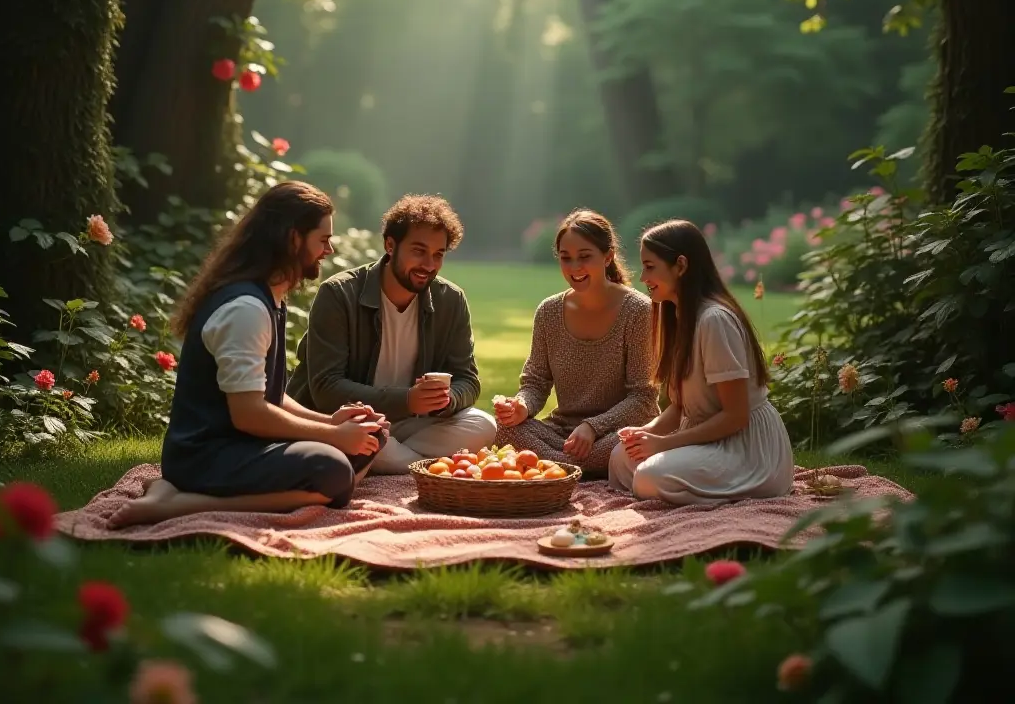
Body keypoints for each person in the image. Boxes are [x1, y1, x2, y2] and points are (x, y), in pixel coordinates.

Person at [109, 182, 388, 529]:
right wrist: (332, 437)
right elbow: (249, 414)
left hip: (247, 447)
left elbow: (269, 393)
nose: (329, 249)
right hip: (207, 457)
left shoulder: (271, 297)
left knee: (370, 438)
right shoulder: (246, 309)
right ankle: (177, 504)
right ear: (292, 238)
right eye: (322, 239)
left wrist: (331, 422)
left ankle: (177, 493)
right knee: (331, 470)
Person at [287, 194, 496, 474]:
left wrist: (447, 400)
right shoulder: (339, 294)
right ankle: (420, 465)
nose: (429, 265)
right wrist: (407, 399)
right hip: (349, 420)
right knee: (365, 436)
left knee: (483, 425)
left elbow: (467, 379)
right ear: (390, 245)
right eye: (419, 251)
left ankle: (389, 460)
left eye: (438, 254)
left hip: (411, 422)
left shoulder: (451, 299)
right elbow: (326, 389)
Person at [608, 219, 794, 505]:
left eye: (650, 266)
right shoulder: (678, 317)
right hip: (704, 439)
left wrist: (664, 443)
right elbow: (682, 406)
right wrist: (648, 432)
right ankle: (684, 485)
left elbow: (736, 416)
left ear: (680, 266)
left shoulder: (715, 321)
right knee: (621, 459)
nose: (643, 277)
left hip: (745, 449)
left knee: (648, 477)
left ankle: (722, 492)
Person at [494, 210, 658, 477]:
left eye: (584, 257)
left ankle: (557, 467)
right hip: (563, 433)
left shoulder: (639, 311)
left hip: (616, 431)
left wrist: (593, 427)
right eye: (565, 258)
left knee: (627, 443)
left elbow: (643, 398)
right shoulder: (549, 312)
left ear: (608, 256)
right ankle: (573, 466)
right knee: (504, 428)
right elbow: (535, 383)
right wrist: (520, 406)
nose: (574, 268)